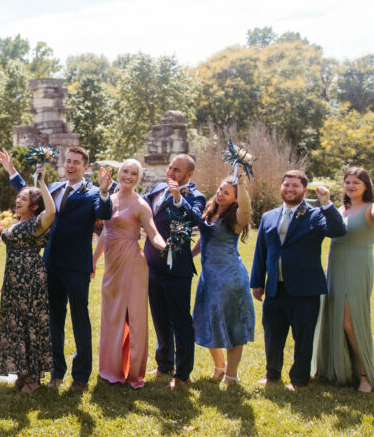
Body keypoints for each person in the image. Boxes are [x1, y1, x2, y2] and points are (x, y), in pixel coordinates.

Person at [0, 146, 113, 392]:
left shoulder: (93, 192)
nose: (70, 165)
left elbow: (104, 214)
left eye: (76, 163)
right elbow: (29, 197)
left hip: (77, 266)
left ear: (85, 167)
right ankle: (56, 373)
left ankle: (81, 376)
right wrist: (12, 171)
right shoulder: (56, 188)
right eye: (68, 161)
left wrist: (104, 192)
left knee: (80, 320)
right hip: (49, 264)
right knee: (52, 321)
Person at [251, 170, 346, 390]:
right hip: (276, 288)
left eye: (295, 186)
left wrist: (327, 204)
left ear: (304, 190)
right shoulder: (269, 216)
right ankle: (272, 374)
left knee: (303, 337)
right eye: (286, 185)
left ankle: (299, 379)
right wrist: (257, 281)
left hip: (305, 289)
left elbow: (337, 230)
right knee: (273, 334)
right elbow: (261, 252)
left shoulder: (315, 215)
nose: (290, 189)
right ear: (281, 187)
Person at [314, 160, 374, 393]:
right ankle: (336, 370)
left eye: (355, 182)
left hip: (357, 268)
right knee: (334, 318)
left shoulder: (371, 208)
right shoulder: (341, 209)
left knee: (350, 323)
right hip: (335, 267)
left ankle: (365, 376)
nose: (350, 186)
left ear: (365, 185)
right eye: (347, 182)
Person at [96, 158, 166, 389]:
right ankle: (111, 368)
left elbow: (153, 232)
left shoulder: (140, 204)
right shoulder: (110, 200)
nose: (128, 176)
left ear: (139, 178)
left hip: (133, 265)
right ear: (119, 172)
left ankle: (134, 372)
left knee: (134, 318)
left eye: (133, 173)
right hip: (112, 267)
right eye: (125, 171)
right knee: (112, 317)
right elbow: (106, 233)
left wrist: (164, 246)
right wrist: (93, 260)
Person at [142, 154, 205, 389]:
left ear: (189, 175)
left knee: (180, 322)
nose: (171, 173)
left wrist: (178, 197)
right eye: (170, 167)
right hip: (152, 265)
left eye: (177, 170)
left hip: (177, 268)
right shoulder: (158, 188)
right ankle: (164, 363)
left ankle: (183, 373)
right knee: (159, 319)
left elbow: (195, 218)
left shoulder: (195, 196)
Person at [0, 164, 56, 394]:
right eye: (18, 197)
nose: (18, 200)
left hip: (31, 279)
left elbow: (51, 212)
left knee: (31, 324)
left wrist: (42, 183)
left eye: (23, 198)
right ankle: (22, 371)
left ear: (34, 205)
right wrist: (5, 283)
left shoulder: (37, 224)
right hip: (13, 279)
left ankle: (34, 377)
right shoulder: (19, 223)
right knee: (16, 325)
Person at [192, 173, 255, 385]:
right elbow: (204, 238)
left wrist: (243, 185)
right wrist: (188, 255)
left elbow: (245, 210)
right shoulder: (210, 211)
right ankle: (220, 366)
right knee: (207, 321)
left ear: (236, 199)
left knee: (232, 325)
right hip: (209, 278)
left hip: (229, 278)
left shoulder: (236, 218)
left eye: (227, 192)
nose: (220, 194)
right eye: (220, 189)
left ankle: (232, 375)